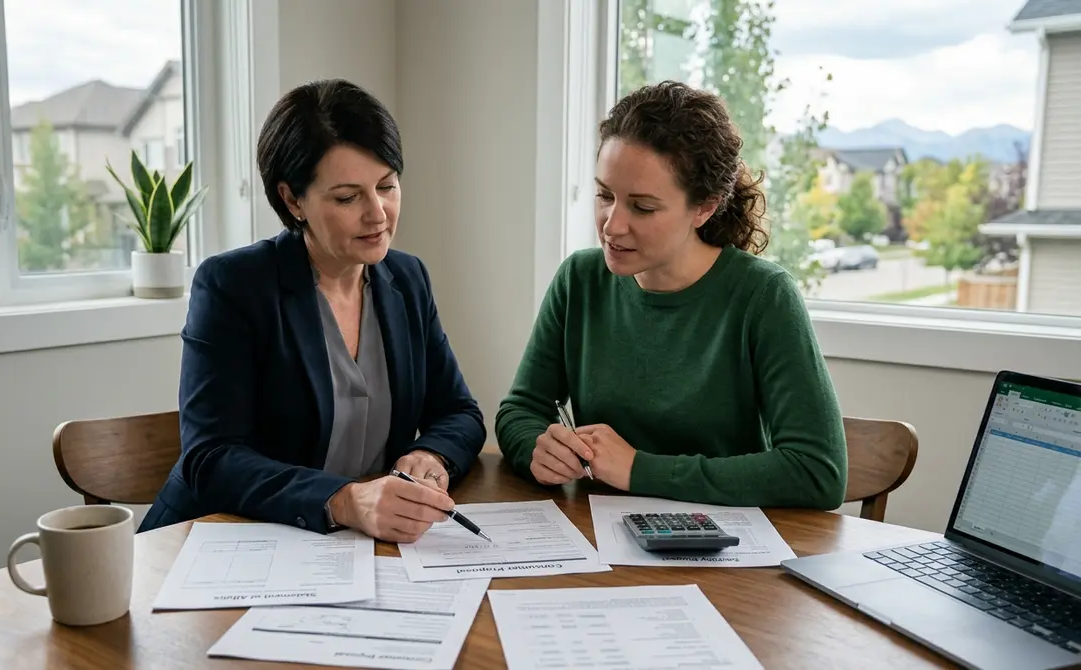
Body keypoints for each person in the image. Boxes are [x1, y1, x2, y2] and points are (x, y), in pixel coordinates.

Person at [140, 79, 486, 542]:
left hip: (353, 548)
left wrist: (431, 455)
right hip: (222, 540)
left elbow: (459, 412)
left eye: (387, 185)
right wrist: (345, 500)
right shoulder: (232, 285)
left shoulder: (407, 279)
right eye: (347, 197)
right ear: (292, 199)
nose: (378, 214)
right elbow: (211, 457)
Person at [495, 80, 848, 509]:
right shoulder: (579, 279)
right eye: (605, 195)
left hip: (725, 551)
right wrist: (537, 448)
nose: (611, 225)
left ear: (705, 207)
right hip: (598, 541)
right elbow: (520, 410)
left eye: (642, 207)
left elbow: (817, 472)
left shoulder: (764, 296)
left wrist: (637, 469)